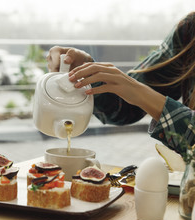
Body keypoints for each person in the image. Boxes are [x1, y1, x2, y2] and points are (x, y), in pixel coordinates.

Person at [46, 12, 195, 158]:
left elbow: (138, 92)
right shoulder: (190, 29)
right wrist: (87, 71)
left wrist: (140, 92)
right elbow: (123, 108)